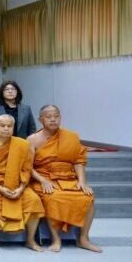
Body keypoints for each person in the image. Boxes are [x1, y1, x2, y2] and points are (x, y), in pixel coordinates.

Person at [28, 105, 101, 253]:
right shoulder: (33, 139)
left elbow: (78, 161)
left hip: (68, 178)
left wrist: (82, 182)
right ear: (40, 119)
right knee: (52, 197)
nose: (53, 119)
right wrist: (43, 181)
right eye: (48, 116)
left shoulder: (71, 137)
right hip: (44, 178)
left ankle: (83, 239)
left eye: (56, 116)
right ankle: (56, 239)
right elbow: (27, 166)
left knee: (87, 197)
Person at [0, 115, 45, 252]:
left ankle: (30, 240)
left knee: (34, 200)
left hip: (18, 183)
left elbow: (27, 169)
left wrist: (21, 188)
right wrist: (0, 188)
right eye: (2, 126)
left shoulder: (22, 144)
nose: (6, 129)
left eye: (9, 126)